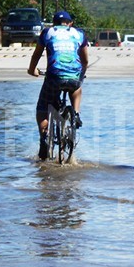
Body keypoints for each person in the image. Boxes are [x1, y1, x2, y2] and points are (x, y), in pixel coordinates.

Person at [27, 10, 89, 160]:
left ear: (54, 23)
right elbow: (85, 60)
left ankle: (44, 137)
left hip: (54, 76)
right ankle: (75, 114)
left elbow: (37, 54)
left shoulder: (48, 32)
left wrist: (32, 70)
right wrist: (80, 75)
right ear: (70, 23)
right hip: (73, 76)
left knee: (43, 107)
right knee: (77, 88)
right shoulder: (79, 33)